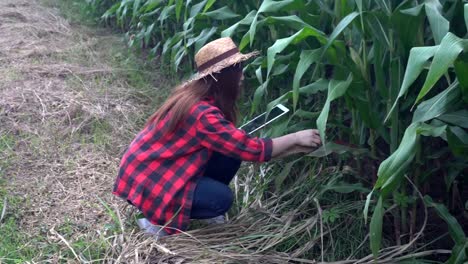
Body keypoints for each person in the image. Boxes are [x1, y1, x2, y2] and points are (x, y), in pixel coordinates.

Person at [113, 37, 322, 238]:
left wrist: (293, 147)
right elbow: (253, 150)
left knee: (230, 155)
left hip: (149, 171)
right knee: (220, 200)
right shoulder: (203, 114)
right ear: (222, 77)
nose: (242, 77)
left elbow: (235, 145)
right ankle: (155, 223)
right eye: (237, 70)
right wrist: (295, 138)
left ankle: (187, 206)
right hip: (150, 181)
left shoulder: (192, 95)